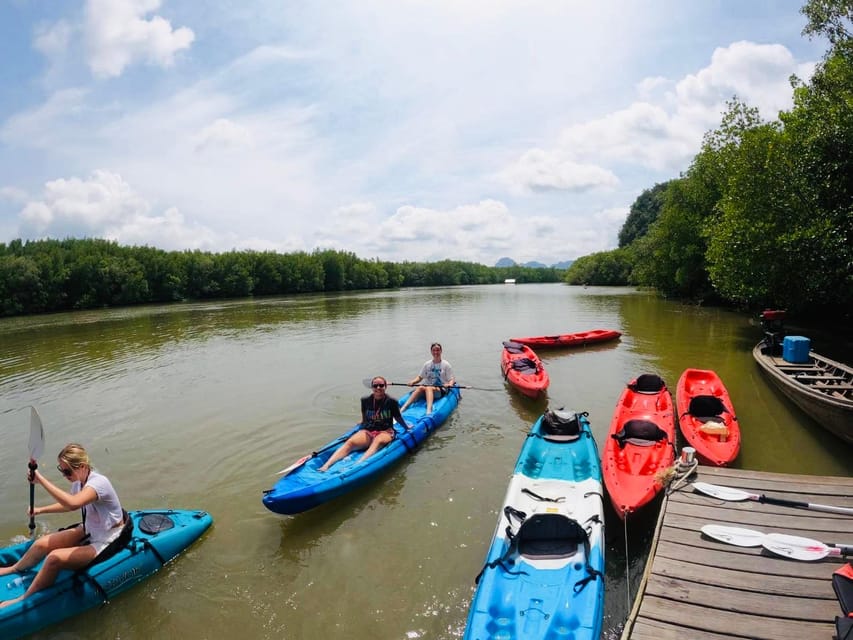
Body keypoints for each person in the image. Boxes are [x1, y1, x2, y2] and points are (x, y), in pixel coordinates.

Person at [0, 443, 124, 608]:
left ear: (82, 466)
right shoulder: (79, 481)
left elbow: (73, 503)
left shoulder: (98, 484)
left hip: (108, 539)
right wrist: (40, 510)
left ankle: (23, 600)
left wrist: (40, 479)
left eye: (67, 471)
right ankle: (13, 569)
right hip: (90, 529)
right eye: (61, 470)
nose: (65, 475)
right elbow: (69, 504)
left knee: (54, 558)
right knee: (41, 544)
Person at [318, 376, 410, 472]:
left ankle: (357, 465)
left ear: (385, 387)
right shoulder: (365, 400)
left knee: (377, 441)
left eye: (381, 385)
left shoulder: (392, 402)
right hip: (369, 430)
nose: (378, 388)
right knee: (350, 442)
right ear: (372, 387)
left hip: (385, 431)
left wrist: (406, 427)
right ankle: (326, 465)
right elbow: (364, 415)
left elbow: (397, 417)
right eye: (375, 385)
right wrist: (362, 422)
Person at [400, 342, 455, 415]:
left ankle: (429, 411)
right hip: (427, 388)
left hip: (440, 389)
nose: (436, 352)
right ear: (431, 351)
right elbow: (420, 377)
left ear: (441, 351)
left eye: (438, 350)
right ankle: (404, 407)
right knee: (420, 387)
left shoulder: (446, 365)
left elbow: (451, 379)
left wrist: (450, 384)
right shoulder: (427, 364)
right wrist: (413, 382)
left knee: (428, 387)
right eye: (434, 350)